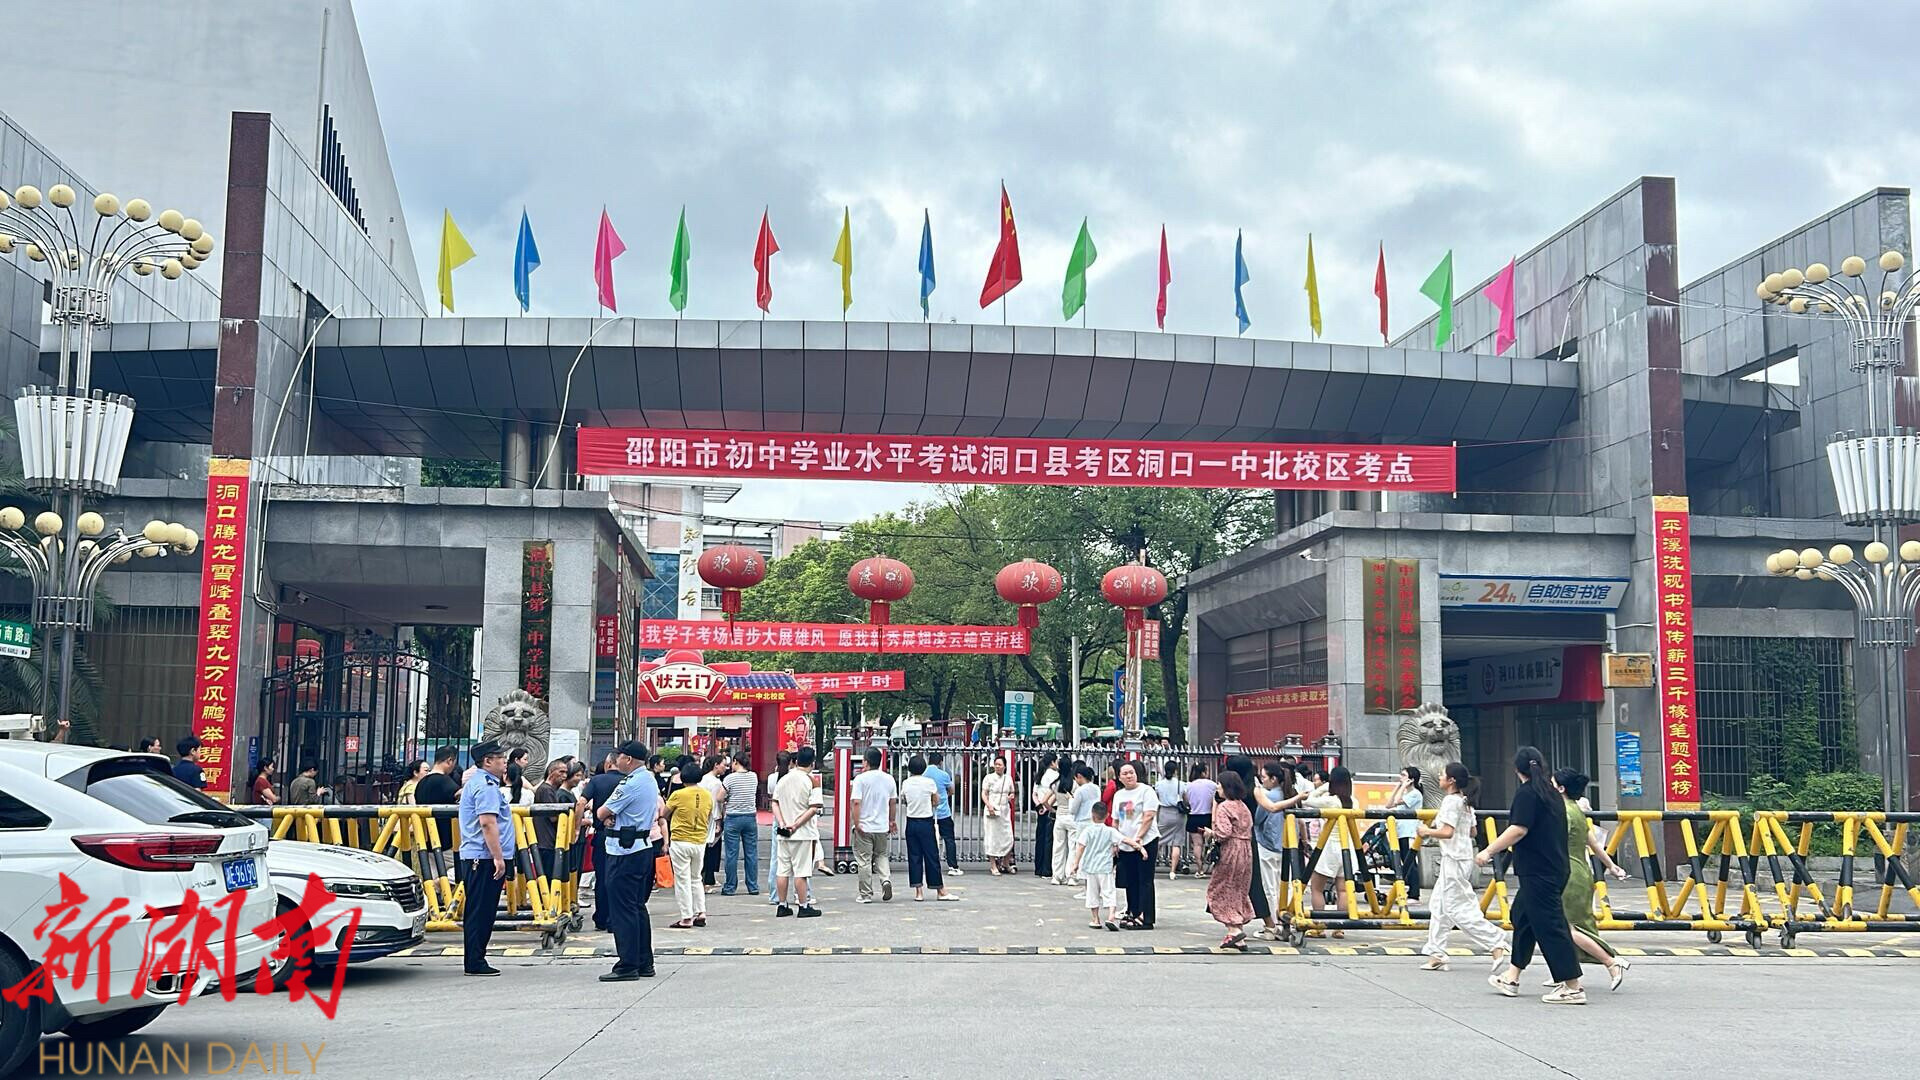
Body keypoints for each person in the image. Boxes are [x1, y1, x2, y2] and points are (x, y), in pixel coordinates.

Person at [1478, 747, 1585, 1004]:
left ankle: (1573, 986)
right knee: (1523, 918)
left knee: (1551, 926)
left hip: (1539, 872)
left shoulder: (1528, 793)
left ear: (1517, 769)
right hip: (1552, 868)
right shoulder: (1550, 792)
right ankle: (1512, 977)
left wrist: (1489, 851)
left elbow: (1518, 829)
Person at [1417, 762, 1509, 971]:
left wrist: (1426, 831)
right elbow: (1473, 831)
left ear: (1451, 780)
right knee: (1439, 905)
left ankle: (1495, 941)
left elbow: (1447, 832)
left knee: (1456, 908)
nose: (1439, 777)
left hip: (1454, 860)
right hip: (1461, 858)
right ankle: (1436, 952)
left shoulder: (1451, 801)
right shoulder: (1465, 802)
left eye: (1442, 774)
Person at [1553, 768, 1631, 989]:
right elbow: (1593, 843)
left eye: (1552, 784)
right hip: (1580, 871)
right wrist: (1611, 866)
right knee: (1569, 925)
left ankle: (1611, 961)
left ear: (1561, 788)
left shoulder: (1563, 814)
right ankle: (1564, 972)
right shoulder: (1576, 811)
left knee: (1567, 927)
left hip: (1568, 873)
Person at [596, 741, 659, 980]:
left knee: (623, 910)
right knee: (636, 907)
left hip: (624, 852)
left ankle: (628, 965)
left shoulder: (630, 783)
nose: (617, 761)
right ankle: (644, 962)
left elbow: (602, 812)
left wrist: (608, 816)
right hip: (641, 848)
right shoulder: (649, 779)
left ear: (629, 759)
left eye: (620, 757)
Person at [457, 741, 513, 977]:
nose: (505, 762)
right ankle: (475, 961)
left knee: (481, 909)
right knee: (481, 911)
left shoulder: (482, 783)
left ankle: (476, 958)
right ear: (488, 761)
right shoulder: (486, 786)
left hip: (480, 856)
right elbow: (488, 823)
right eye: (501, 758)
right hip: (483, 856)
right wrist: (498, 857)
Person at [1252, 760, 1307, 939]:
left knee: (1270, 888)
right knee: (1287, 887)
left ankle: (1273, 926)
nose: (1262, 781)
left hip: (1267, 845)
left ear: (1273, 779)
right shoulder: (1290, 794)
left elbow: (1258, 819)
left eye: (1264, 777)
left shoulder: (1270, 796)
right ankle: (1287, 922)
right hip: (1287, 847)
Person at [1203, 770, 1257, 950]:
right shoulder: (1243, 806)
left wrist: (1212, 833)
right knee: (1239, 889)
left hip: (1231, 850)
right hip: (1246, 850)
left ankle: (1233, 930)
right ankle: (1238, 933)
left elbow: (1224, 833)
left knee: (1220, 888)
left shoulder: (1224, 807)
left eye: (1219, 785)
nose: (1217, 788)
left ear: (1226, 787)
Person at [1068, 801, 1138, 931]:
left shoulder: (1087, 831)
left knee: (1092, 894)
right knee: (1109, 892)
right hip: (1105, 867)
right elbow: (1124, 839)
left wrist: (1075, 864)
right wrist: (1138, 846)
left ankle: (1096, 919)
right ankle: (1111, 916)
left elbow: (1080, 847)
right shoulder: (1110, 831)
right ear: (1107, 815)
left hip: (1090, 868)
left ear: (1092, 815)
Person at [1302, 766, 1354, 938]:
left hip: (1329, 846)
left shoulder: (1331, 801)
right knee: (1343, 890)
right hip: (1347, 848)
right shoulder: (1353, 801)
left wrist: (1323, 787)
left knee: (1317, 888)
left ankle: (1319, 927)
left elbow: (1308, 800)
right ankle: (1339, 927)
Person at [772, 746, 823, 918]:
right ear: (812, 763)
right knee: (801, 872)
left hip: (783, 832)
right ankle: (803, 905)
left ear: (796, 760)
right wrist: (796, 824)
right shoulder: (812, 781)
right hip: (803, 834)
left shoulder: (783, 779)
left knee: (782, 870)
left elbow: (775, 802)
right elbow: (814, 808)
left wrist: (782, 822)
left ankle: (782, 905)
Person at [1110, 761, 1161, 929]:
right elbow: (1116, 821)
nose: (1129, 776)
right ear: (1119, 777)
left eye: (1131, 772)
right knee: (1130, 879)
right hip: (1126, 843)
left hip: (1146, 841)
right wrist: (1116, 841)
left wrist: (1138, 838)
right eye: (1125, 774)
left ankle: (1146, 917)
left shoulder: (1146, 791)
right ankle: (1132, 910)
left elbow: (1149, 816)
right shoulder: (1119, 795)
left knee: (1144, 879)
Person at [581, 752, 629, 931]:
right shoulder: (628, 781)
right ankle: (616, 919)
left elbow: (581, 802)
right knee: (621, 879)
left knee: (602, 878)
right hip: (626, 837)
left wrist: (577, 827)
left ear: (608, 764)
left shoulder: (597, 781)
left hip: (602, 835)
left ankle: (601, 917)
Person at [664, 758, 713, 929]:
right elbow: (709, 815)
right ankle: (701, 912)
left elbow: (664, 813)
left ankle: (686, 917)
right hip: (699, 841)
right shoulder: (707, 795)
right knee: (696, 878)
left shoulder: (678, 795)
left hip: (680, 840)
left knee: (682, 879)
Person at [900, 755, 956, 901]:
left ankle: (918, 892)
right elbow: (936, 800)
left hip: (911, 822)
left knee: (914, 857)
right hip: (926, 822)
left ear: (910, 769)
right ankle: (940, 890)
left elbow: (904, 799)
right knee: (931, 856)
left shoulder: (906, 783)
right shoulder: (929, 782)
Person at [850, 747, 897, 903]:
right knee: (881, 855)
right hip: (882, 826)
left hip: (865, 826)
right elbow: (892, 802)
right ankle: (885, 880)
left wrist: (857, 823)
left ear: (866, 762)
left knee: (864, 860)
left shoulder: (860, 780)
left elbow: (856, 803)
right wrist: (891, 821)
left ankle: (866, 894)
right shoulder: (889, 779)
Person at [719, 751, 761, 896]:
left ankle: (730, 887)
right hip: (750, 817)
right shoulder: (753, 776)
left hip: (733, 818)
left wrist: (728, 799)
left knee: (731, 854)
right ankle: (753, 886)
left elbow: (719, 797)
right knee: (751, 853)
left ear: (736, 762)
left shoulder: (730, 778)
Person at [1384, 766, 1426, 901]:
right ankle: (1408, 891)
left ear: (1411, 779)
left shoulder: (1415, 794)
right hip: (1400, 832)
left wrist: (1402, 786)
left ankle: (1414, 893)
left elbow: (1397, 801)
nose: (1400, 777)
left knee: (1410, 862)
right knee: (1405, 862)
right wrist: (1398, 786)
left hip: (1409, 832)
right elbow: (1389, 805)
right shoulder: (1406, 793)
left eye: (1403, 775)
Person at [415, 745, 464, 857]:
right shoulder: (444, 781)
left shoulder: (421, 783)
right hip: (445, 843)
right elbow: (459, 793)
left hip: (425, 842)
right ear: (450, 760)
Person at [532, 759, 573, 882]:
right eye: (561, 772)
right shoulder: (546, 790)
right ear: (551, 771)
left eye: (566, 773)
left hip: (547, 840)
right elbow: (553, 817)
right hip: (546, 841)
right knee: (549, 878)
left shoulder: (548, 789)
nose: (564, 776)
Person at [924, 751, 962, 876]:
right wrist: (944, 795)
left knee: (929, 840)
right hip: (944, 812)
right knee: (949, 839)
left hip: (928, 812)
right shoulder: (944, 775)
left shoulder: (923, 774)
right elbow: (952, 790)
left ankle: (931, 865)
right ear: (940, 762)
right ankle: (953, 866)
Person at [1062, 764, 1098, 886]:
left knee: (1080, 850)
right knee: (1092, 851)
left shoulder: (1080, 790)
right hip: (1094, 821)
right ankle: (1090, 882)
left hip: (1082, 822)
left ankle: (1076, 876)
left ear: (1079, 776)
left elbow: (1073, 809)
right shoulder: (1096, 788)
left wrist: (1070, 799)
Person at [981, 756, 1016, 875]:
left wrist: (1011, 796)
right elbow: (984, 793)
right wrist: (989, 805)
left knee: (1008, 837)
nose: (997, 766)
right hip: (992, 810)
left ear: (1004, 766)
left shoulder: (1008, 778)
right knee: (992, 837)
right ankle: (993, 865)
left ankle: (1006, 863)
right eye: (996, 764)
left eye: (1000, 764)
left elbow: (1012, 791)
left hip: (1004, 810)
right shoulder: (989, 778)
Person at [698, 756, 729, 892]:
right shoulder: (716, 783)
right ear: (716, 765)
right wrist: (718, 822)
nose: (725, 768)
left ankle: (704, 880)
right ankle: (706, 881)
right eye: (724, 765)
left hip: (701, 817)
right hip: (711, 818)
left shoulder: (702, 779)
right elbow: (715, 804)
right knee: (710, 849)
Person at [1183, 762, 1219, 878]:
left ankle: (1200, 869)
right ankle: (1213, 867)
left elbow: (1186, 802)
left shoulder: (1188, 786)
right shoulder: (1212, 785)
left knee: (1197, 844)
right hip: (1208, 817)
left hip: (1194, 817)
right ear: (1204, 772)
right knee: (1212, 843)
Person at [1154, 760, 1186, 879]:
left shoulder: (1159, 784)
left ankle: (1151, 865)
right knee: (1176, 843)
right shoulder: (1181, 784)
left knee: (1157, 840)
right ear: (1175, 771)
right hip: (1177, 814)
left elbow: (1156, 799)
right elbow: (1186, 799)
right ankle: (1172, 871)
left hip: (1164, 813)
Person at [1031, 751, 1060, 878]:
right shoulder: (1055, 775)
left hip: (1040, 809)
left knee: (1040, 838)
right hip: (1051, 808)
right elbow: (1054, 793)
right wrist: (1048, 807)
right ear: (1052, 762)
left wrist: (1039, 806)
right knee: (1050, 840)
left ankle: (1038, 868)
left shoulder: (1040, 775)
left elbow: (1034, 794)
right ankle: (1047, 869)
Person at [1047, 766, 1077, 885]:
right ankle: (1071, 876)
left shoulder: (1055, 784)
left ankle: (1057, 876)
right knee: (1073, 848)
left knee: (1058, 847)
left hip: (1059, 817)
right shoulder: (1075, 784)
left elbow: (1045, 801)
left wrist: (1053, 811)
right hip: (1072, 818)